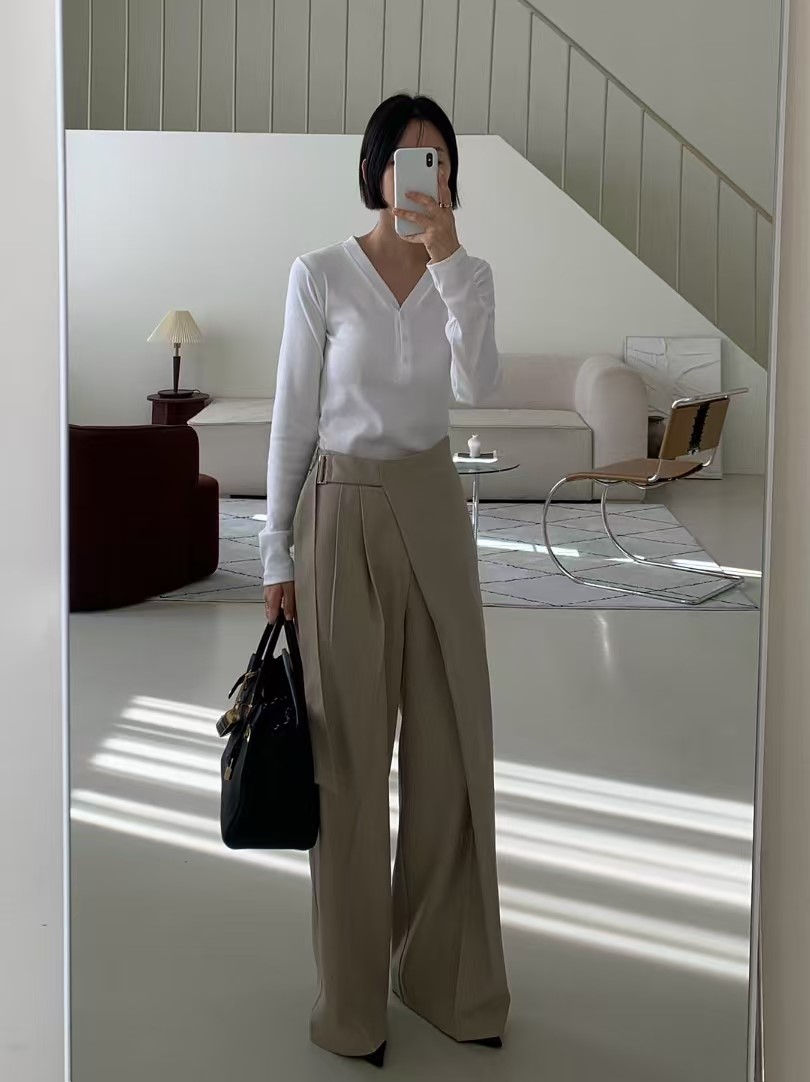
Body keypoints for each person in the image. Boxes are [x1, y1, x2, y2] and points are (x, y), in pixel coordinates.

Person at [259, 93, 510, 1068]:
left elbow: (480, 386)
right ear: (375, 171)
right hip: (343, 511)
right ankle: (353, 1002)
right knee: (350, 762)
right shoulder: (320, 274)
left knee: (451, 749)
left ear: (449, 180)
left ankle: (445, 977)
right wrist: (275, 550)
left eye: (437, 160)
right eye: (407, 158)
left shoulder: (467, 275)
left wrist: (449, 263)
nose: (422, 176)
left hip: (435, 508)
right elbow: (292, 416)